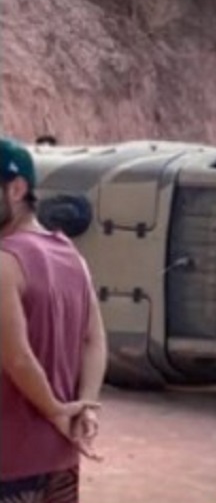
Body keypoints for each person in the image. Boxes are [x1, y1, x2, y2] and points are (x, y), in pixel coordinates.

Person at [0, 137, 107, 502]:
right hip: (59, 458)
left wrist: (57, 412)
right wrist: (86, 408)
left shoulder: (5, 263)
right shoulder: (70, 255)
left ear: (16, 189)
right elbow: (95, 339)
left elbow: (16, 357)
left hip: (9, 460)